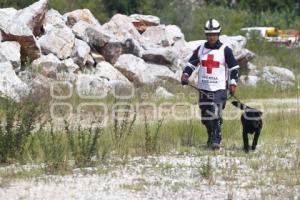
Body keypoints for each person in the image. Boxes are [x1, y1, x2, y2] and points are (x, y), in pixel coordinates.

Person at [181, 19, 239, 150]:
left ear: (218, 34)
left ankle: (216, 139)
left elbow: (234, 67)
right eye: (209, 34)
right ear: (206, 35)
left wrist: (233, 83)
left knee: (215, 112)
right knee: (205, 118)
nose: (212, 37)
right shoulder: (200, 49)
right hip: (203, 88)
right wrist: (185, 74)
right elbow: (191, 64)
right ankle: (211, 134)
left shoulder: (225, 50)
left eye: (214, 34)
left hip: (219, 88)